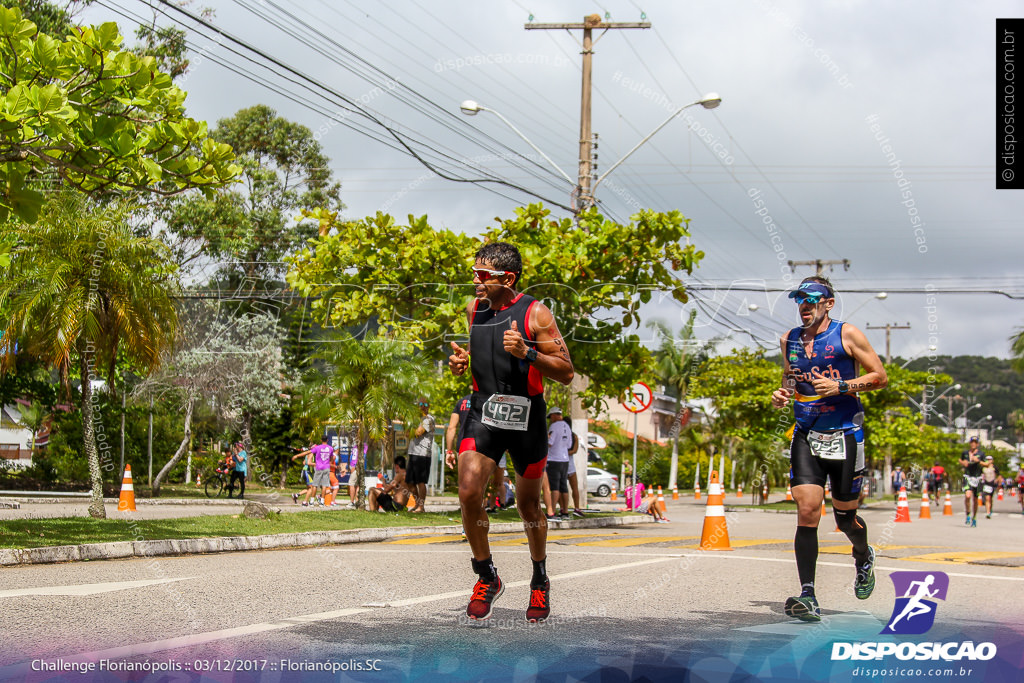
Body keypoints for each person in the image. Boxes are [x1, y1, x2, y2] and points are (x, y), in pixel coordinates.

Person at [447, 242, 574, 623]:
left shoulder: (536, 313)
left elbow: (566, 370)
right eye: (474, 272)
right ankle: (486, 575)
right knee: (469, 491)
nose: (475, 281)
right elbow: (481, 354)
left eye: (483, 275)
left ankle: (539, 578)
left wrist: (529, 353)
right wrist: (460, 362)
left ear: (508, 278)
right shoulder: (474, 310)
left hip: (526, 418)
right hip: (484, 409)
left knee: (529, 507)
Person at [770, 276, 888, 623]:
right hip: (806, 432)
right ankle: (808, 594)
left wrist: (841, 385)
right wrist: (782, 394)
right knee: (807, 508)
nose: (804, 306)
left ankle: (863, 555)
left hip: (845, 434)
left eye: (810, 300)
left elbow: (879, 376)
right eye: (799, 300)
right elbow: (790, 379)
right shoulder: (788, 339)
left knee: (844, 517)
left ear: (828, 303)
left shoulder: (847, 334)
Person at [405, 398, 436, 513]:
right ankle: (417, 504)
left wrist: (413, 427)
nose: (423, 406)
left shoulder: (429, 419)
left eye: (425, 404)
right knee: (410, 481)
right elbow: (407, 434)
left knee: (420, 481)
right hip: (413, 452)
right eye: (420, 404)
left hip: (422, 454)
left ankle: (421, 507)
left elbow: (418, 432)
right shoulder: (416, 420)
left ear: (429, 406)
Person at [545, 406, 573, 520]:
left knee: (554, 487)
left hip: (554, 460)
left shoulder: (554, 426)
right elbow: (569, 445)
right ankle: (565, 512)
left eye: (551, 416)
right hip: (565, 460)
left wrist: (546, 438)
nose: (551, 419)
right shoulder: (567, 426)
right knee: (563, 487)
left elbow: (550, 442)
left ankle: (552, 511)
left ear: (555, 415)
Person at [959, 437, 984, 526]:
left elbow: (986, 464)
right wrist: (963, 463)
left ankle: (974, 517)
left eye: (975, 442)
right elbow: (960, 460)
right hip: (968, 476)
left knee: (976, 499)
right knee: (968, 495)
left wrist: (978, 461)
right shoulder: (965, 453)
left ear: (977, 444)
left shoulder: (981, 454)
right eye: (972, 442)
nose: (973, 444)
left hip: (977, 478)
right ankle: (968, 514)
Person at [566, 418, 584, 518]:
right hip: (571, 464)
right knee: (574, 487)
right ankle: (577, 508)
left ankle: (563, 509)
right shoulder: (574, 436)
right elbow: (575, 450)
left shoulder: (561, 434)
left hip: (562, 463)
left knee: (561, 488)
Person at [981, 455, 1000, 519]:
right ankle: (988, 512)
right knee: (987, 498)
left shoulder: (994, 467)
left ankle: (990, 508)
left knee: (990, 499)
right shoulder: (983, 467)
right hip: (986, 484)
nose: (988, 461)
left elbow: (999, 475)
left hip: (992, 484)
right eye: (987, 459)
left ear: (992, 460)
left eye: (990, 459)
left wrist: (998, 481)